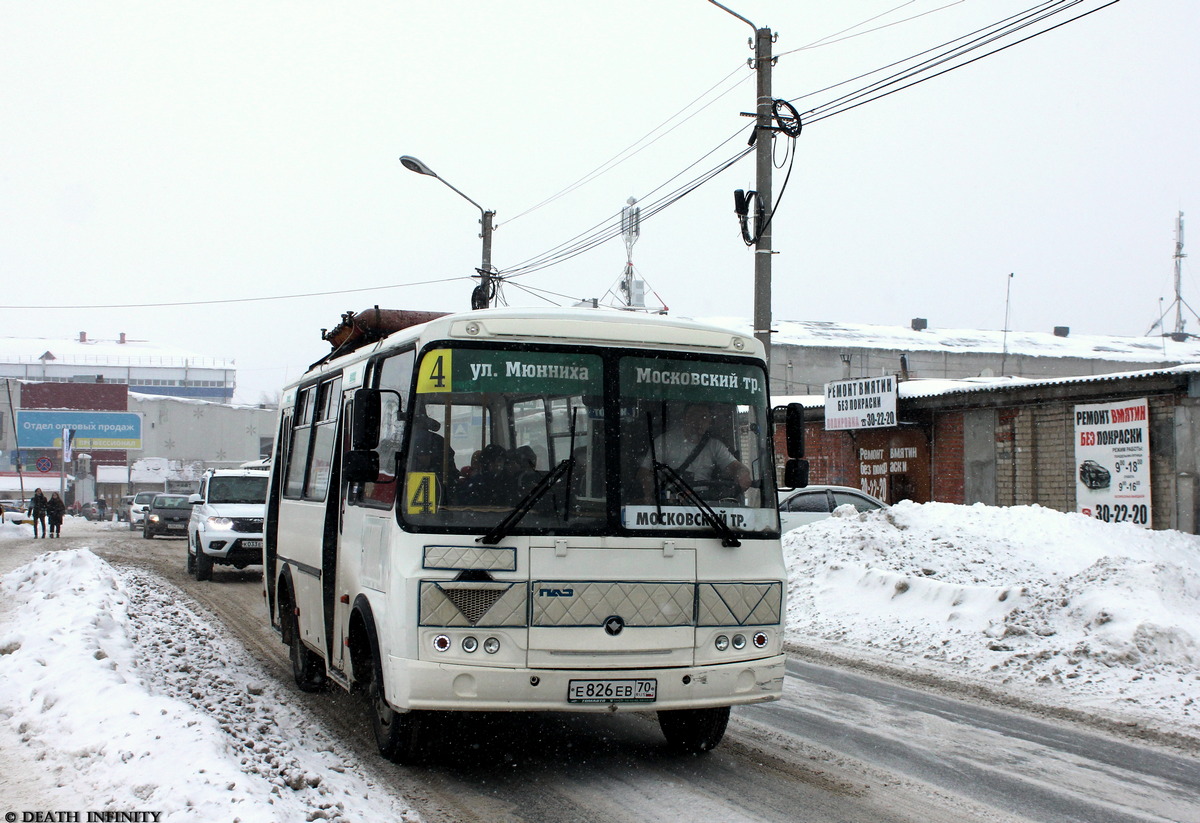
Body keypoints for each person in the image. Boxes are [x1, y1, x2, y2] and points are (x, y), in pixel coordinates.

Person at [639, 403, 751, 503]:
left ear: (709, 422)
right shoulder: (664, 442)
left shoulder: (715, 446)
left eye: (704, 417)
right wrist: (650, 496)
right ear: (684, 418)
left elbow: (735, 467)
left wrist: (742, 473)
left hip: (706, 504)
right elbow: (645, 471)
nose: (699, 422)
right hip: (671, 502)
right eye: (693, 416)